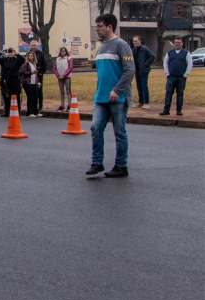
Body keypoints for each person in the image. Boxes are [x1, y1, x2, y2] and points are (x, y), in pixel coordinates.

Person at [86, 14, 135, 178]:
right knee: (95, 128)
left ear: (109, 26)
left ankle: (121, 166)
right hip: (101, 97)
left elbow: (130, 70)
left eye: (100, 26)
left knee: (119, 133)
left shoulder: (122, 45)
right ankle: (97, 163)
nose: (97, 29)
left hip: (118, 98)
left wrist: (117, 90)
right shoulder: (100, 47)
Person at [159, 37, 193, 116]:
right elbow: (165, 63)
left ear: (182, 43)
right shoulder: (169, 53)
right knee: (168, 94)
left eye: (179, 42)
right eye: (176, 42)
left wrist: (186, 74)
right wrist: (167, 73)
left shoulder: (186, 53)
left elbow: (190, 64)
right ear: (174, 44)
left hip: (181, 78)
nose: (177, 44)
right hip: (171, 77)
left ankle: (179, 110)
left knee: (180, 94)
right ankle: (166, 110)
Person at [0, 48, 24, 117]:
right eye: (9, 52)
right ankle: (7, 112)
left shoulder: (17, 60)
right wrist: (1, 53)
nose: (10, 53)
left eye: (11, 52)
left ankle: (18, 112)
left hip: (15, 82)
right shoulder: (3, 60)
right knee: (6, 97)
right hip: (5, 82)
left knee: (16, 97)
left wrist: (17, 54)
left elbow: (23, 60)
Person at [132, 36, 155, 109]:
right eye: (134, 41)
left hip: (144, 71)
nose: (135, 42)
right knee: (139, 86)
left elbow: (152, 56)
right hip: (137, 70)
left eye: (136, 41)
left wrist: (145, 64)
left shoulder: (144, 49)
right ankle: (141, 102)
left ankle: (146, 103)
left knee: (144, 86)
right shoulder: (134, 50)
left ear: (140, 41)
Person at [29, 40, 47, 116]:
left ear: (37, 46)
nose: (33, 46)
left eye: (35, 45)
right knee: (31, 92)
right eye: (32, 45)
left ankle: (40, 106)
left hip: (38, 76)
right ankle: (32, 107)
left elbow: (44, 65)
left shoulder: (41, 54)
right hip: (29, 76)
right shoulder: (28, 54)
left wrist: (40, 72)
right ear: (30, 46)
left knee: (39, 91)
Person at [52, 46, 74, 111]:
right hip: (60, 77)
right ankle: (62, 105)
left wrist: (64, 75)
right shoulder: (57, 59)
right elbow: (54, 68)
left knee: (68, 91)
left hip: (67, 77)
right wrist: (58, 75)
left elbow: (70, 67)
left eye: (64, 51)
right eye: (61, 51)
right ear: (60, 52)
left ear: (66, 52)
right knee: (62, 92)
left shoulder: (69, 58)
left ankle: (69, 106)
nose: (63, 52)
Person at [21, 51, 41, 117]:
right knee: (30, 97)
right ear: (27, 57)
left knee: (36, 97)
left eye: (32, 55)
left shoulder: (35, 64)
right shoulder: (25, 64)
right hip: (27, 83)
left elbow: (36, 74)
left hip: (34, 82)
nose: (30, 57)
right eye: (29, 55)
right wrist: (31, 72)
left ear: (34, 57)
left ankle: (36, 112)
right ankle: (29, 112)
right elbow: (23, 73)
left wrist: (38, 82)